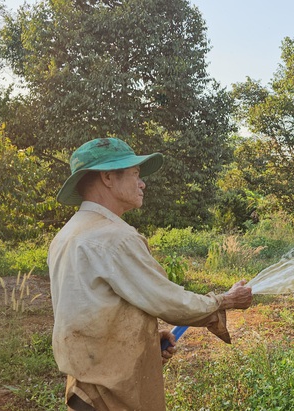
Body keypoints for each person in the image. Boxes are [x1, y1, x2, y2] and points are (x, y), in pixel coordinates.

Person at [47, 137, 253, 411]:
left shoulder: (68, 234)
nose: (142, 183)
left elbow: (89, 309)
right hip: (111, 396)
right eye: (135, 175)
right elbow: (169, 302)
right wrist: (225, 300)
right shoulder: (114, 238)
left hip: (84, 390)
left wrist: (143, 338)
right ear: (108, 178)